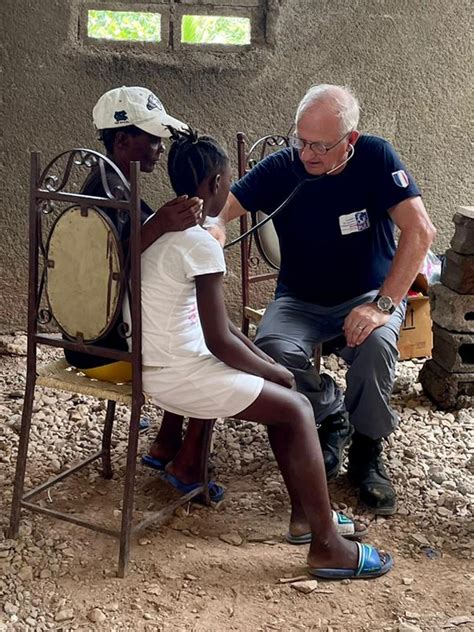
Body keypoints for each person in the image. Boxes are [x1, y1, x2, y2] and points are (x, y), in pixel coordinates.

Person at [124, 125, 393, 580]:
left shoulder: (157, 233)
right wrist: (278, 374)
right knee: (296, 409)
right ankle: (327, 544)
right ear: (214, 185)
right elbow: (219, 341)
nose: (231, 189)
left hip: (157, 363)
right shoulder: (199, 246)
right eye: (229, 180)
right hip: (177, 373)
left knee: (280, 395)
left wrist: (268, 367)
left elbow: (223, 328)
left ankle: (308, 516)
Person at [212, 84, 436, 515]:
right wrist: (215, 227)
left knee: (375, 347)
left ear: (349, 141)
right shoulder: (284, 167)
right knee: (272, 350)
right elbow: (223, 209)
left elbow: (421, 231)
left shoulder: (376, 157)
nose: (307, 154)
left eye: (319, 145)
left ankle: (368, 452)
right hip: (300, 298)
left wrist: (382, 305)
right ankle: (330, 411)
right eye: (301, 141)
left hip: (369, 294)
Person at [64, 85, 223, 500]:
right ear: (121, 139)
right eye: (150, 138)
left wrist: (159, 223)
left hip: (85, 341)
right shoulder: (108, 197)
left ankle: (166, 443)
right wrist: (158, 227)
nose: (158, 146)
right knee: (209, 351)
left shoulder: (112, 183)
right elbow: (105, 273)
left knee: (189, 334)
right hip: (106, 353)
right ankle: (188, 464)